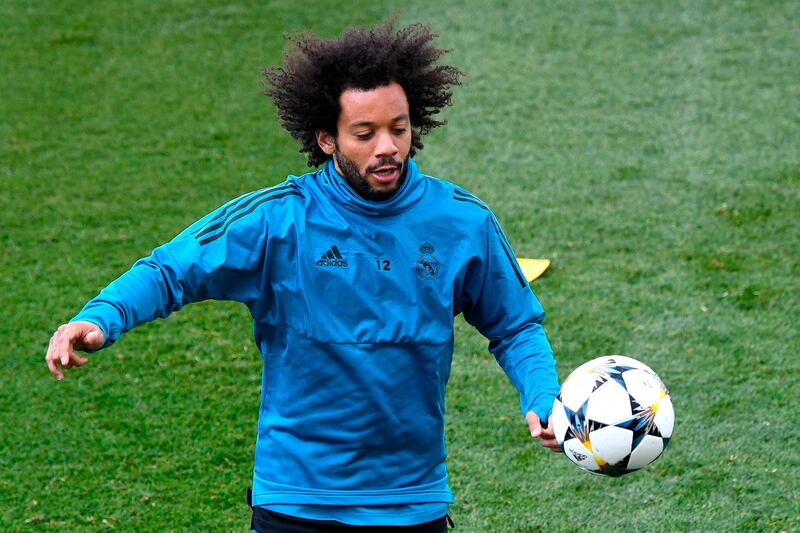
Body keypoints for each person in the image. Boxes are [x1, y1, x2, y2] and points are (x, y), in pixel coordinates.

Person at [45, 21, 560, 532]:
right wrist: (102, 317)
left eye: (399, 129)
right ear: (327, 139)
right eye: (365, 133)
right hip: (296, 503)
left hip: (411, 504)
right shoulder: (277, 220)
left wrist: (541, 395)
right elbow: (171, 270)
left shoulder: (460, 222)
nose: (388, 147)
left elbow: (514, 325)